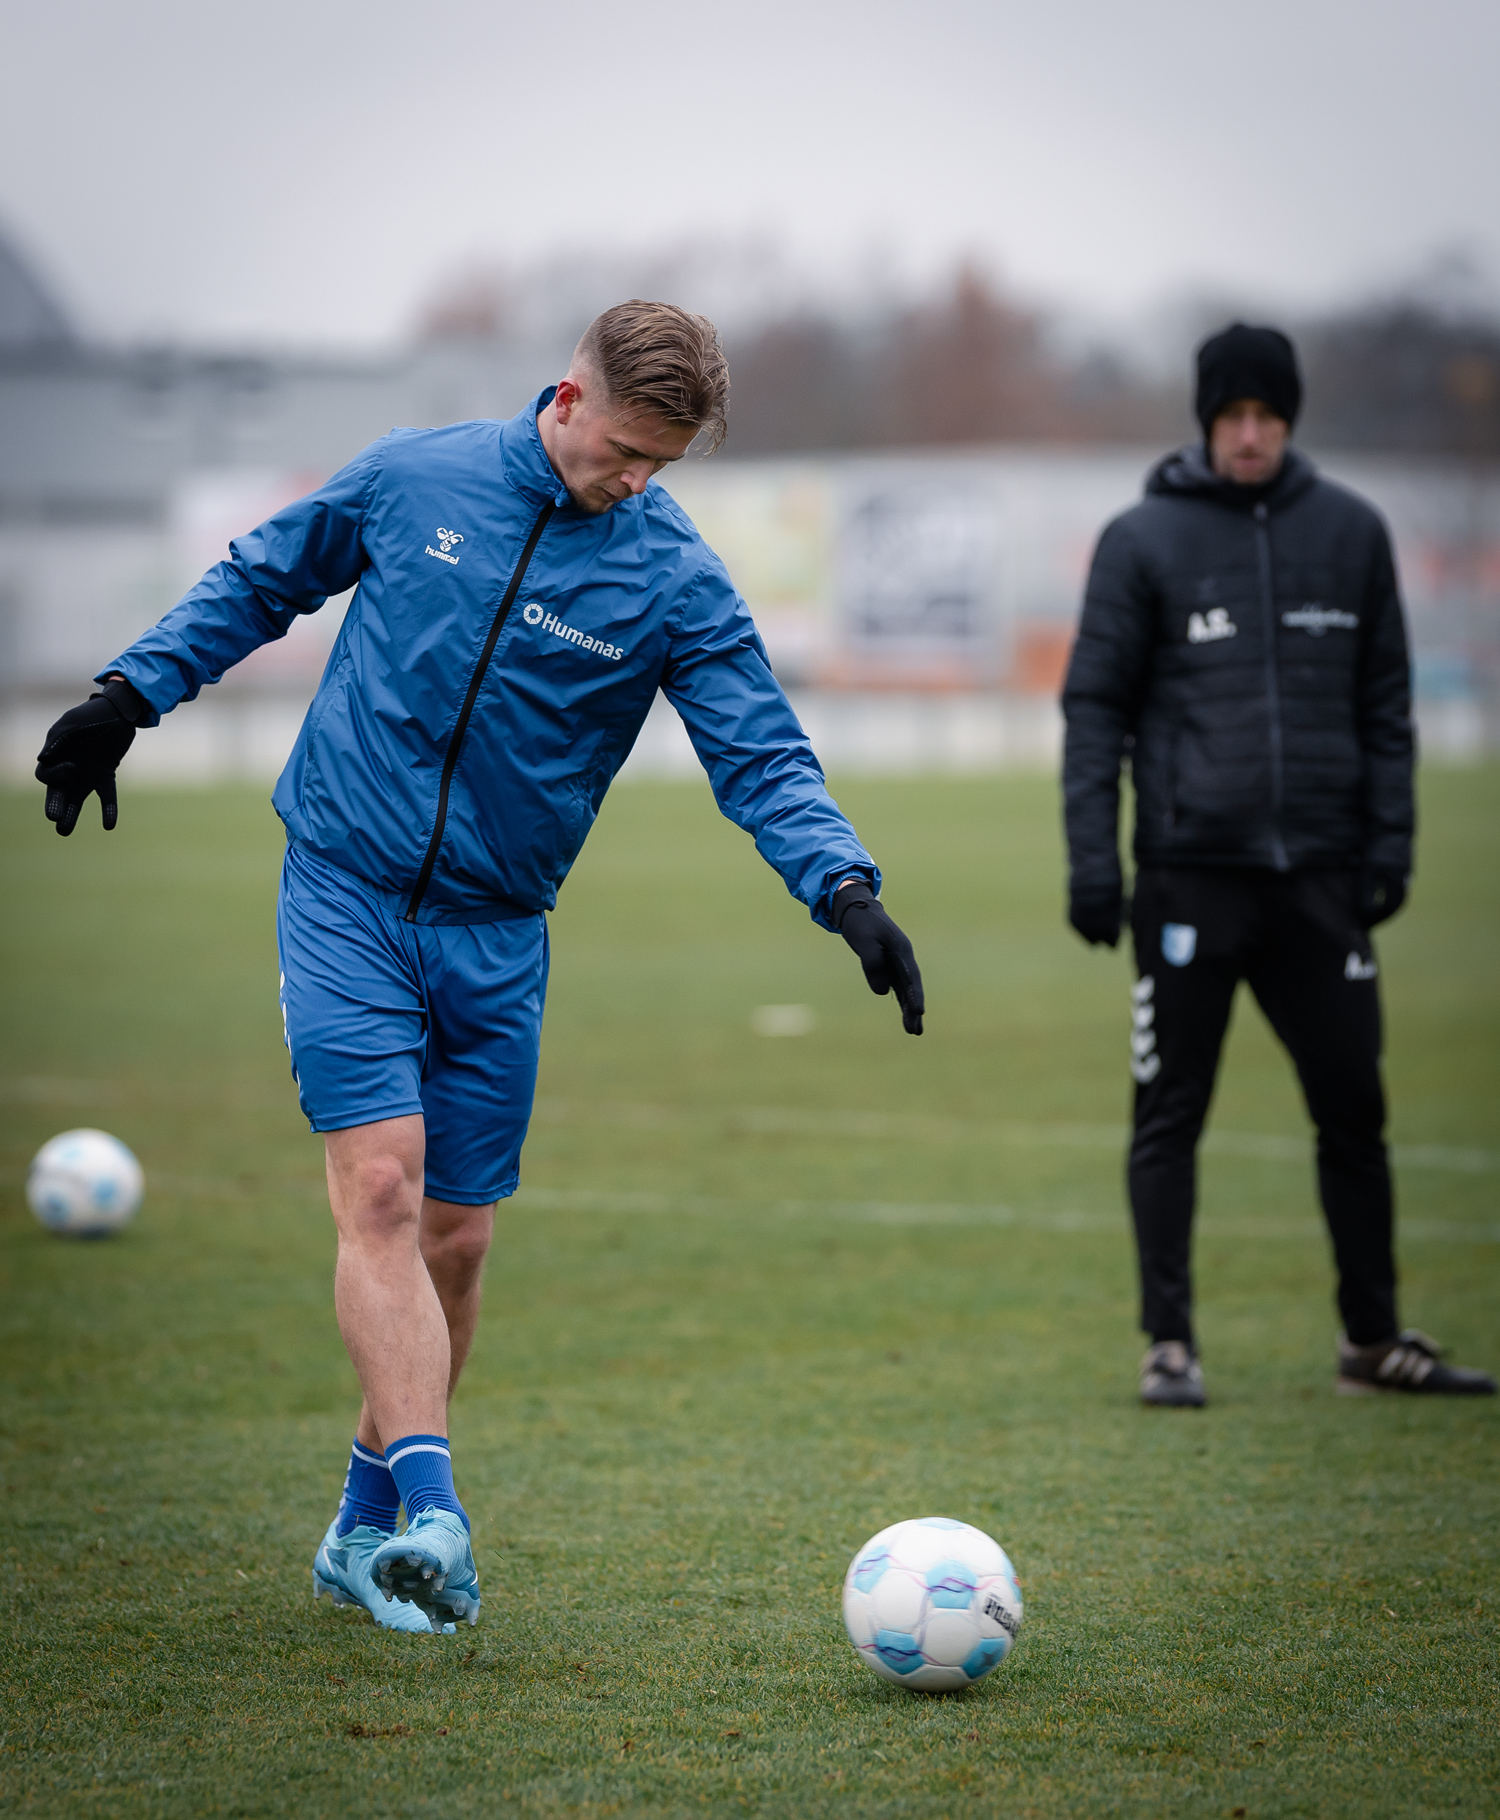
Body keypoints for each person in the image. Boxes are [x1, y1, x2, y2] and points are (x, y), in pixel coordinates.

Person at [34, 300, 926, 1631]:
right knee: (382, 1189)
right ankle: (437, 1514)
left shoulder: (673, 578)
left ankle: (360, 1527)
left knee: (455, 1239)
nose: (639, 482)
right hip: (344, 888)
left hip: (498, 932)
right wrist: (128, 695)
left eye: (664, 465)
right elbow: (260, 580)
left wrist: (843, 887)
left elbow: (760, 751)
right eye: (627, 450)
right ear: (566, 399)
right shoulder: (416, 478)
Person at [1061, 320, 1494, 1409]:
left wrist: (1390, 846)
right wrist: (1093, 864)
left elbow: (1386, 706)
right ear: (1206, 420)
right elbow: (1094, 710)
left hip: (1321, 883)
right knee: (1170, 1116)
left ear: (1290, 419)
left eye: (1267, 415)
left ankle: (1372, 1340)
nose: (1250, 434)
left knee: (1355, 1113)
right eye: (1233, 415)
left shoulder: (1352, 532)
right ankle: (1169, 1343)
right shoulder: (1141, 539)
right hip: (1188, 882)